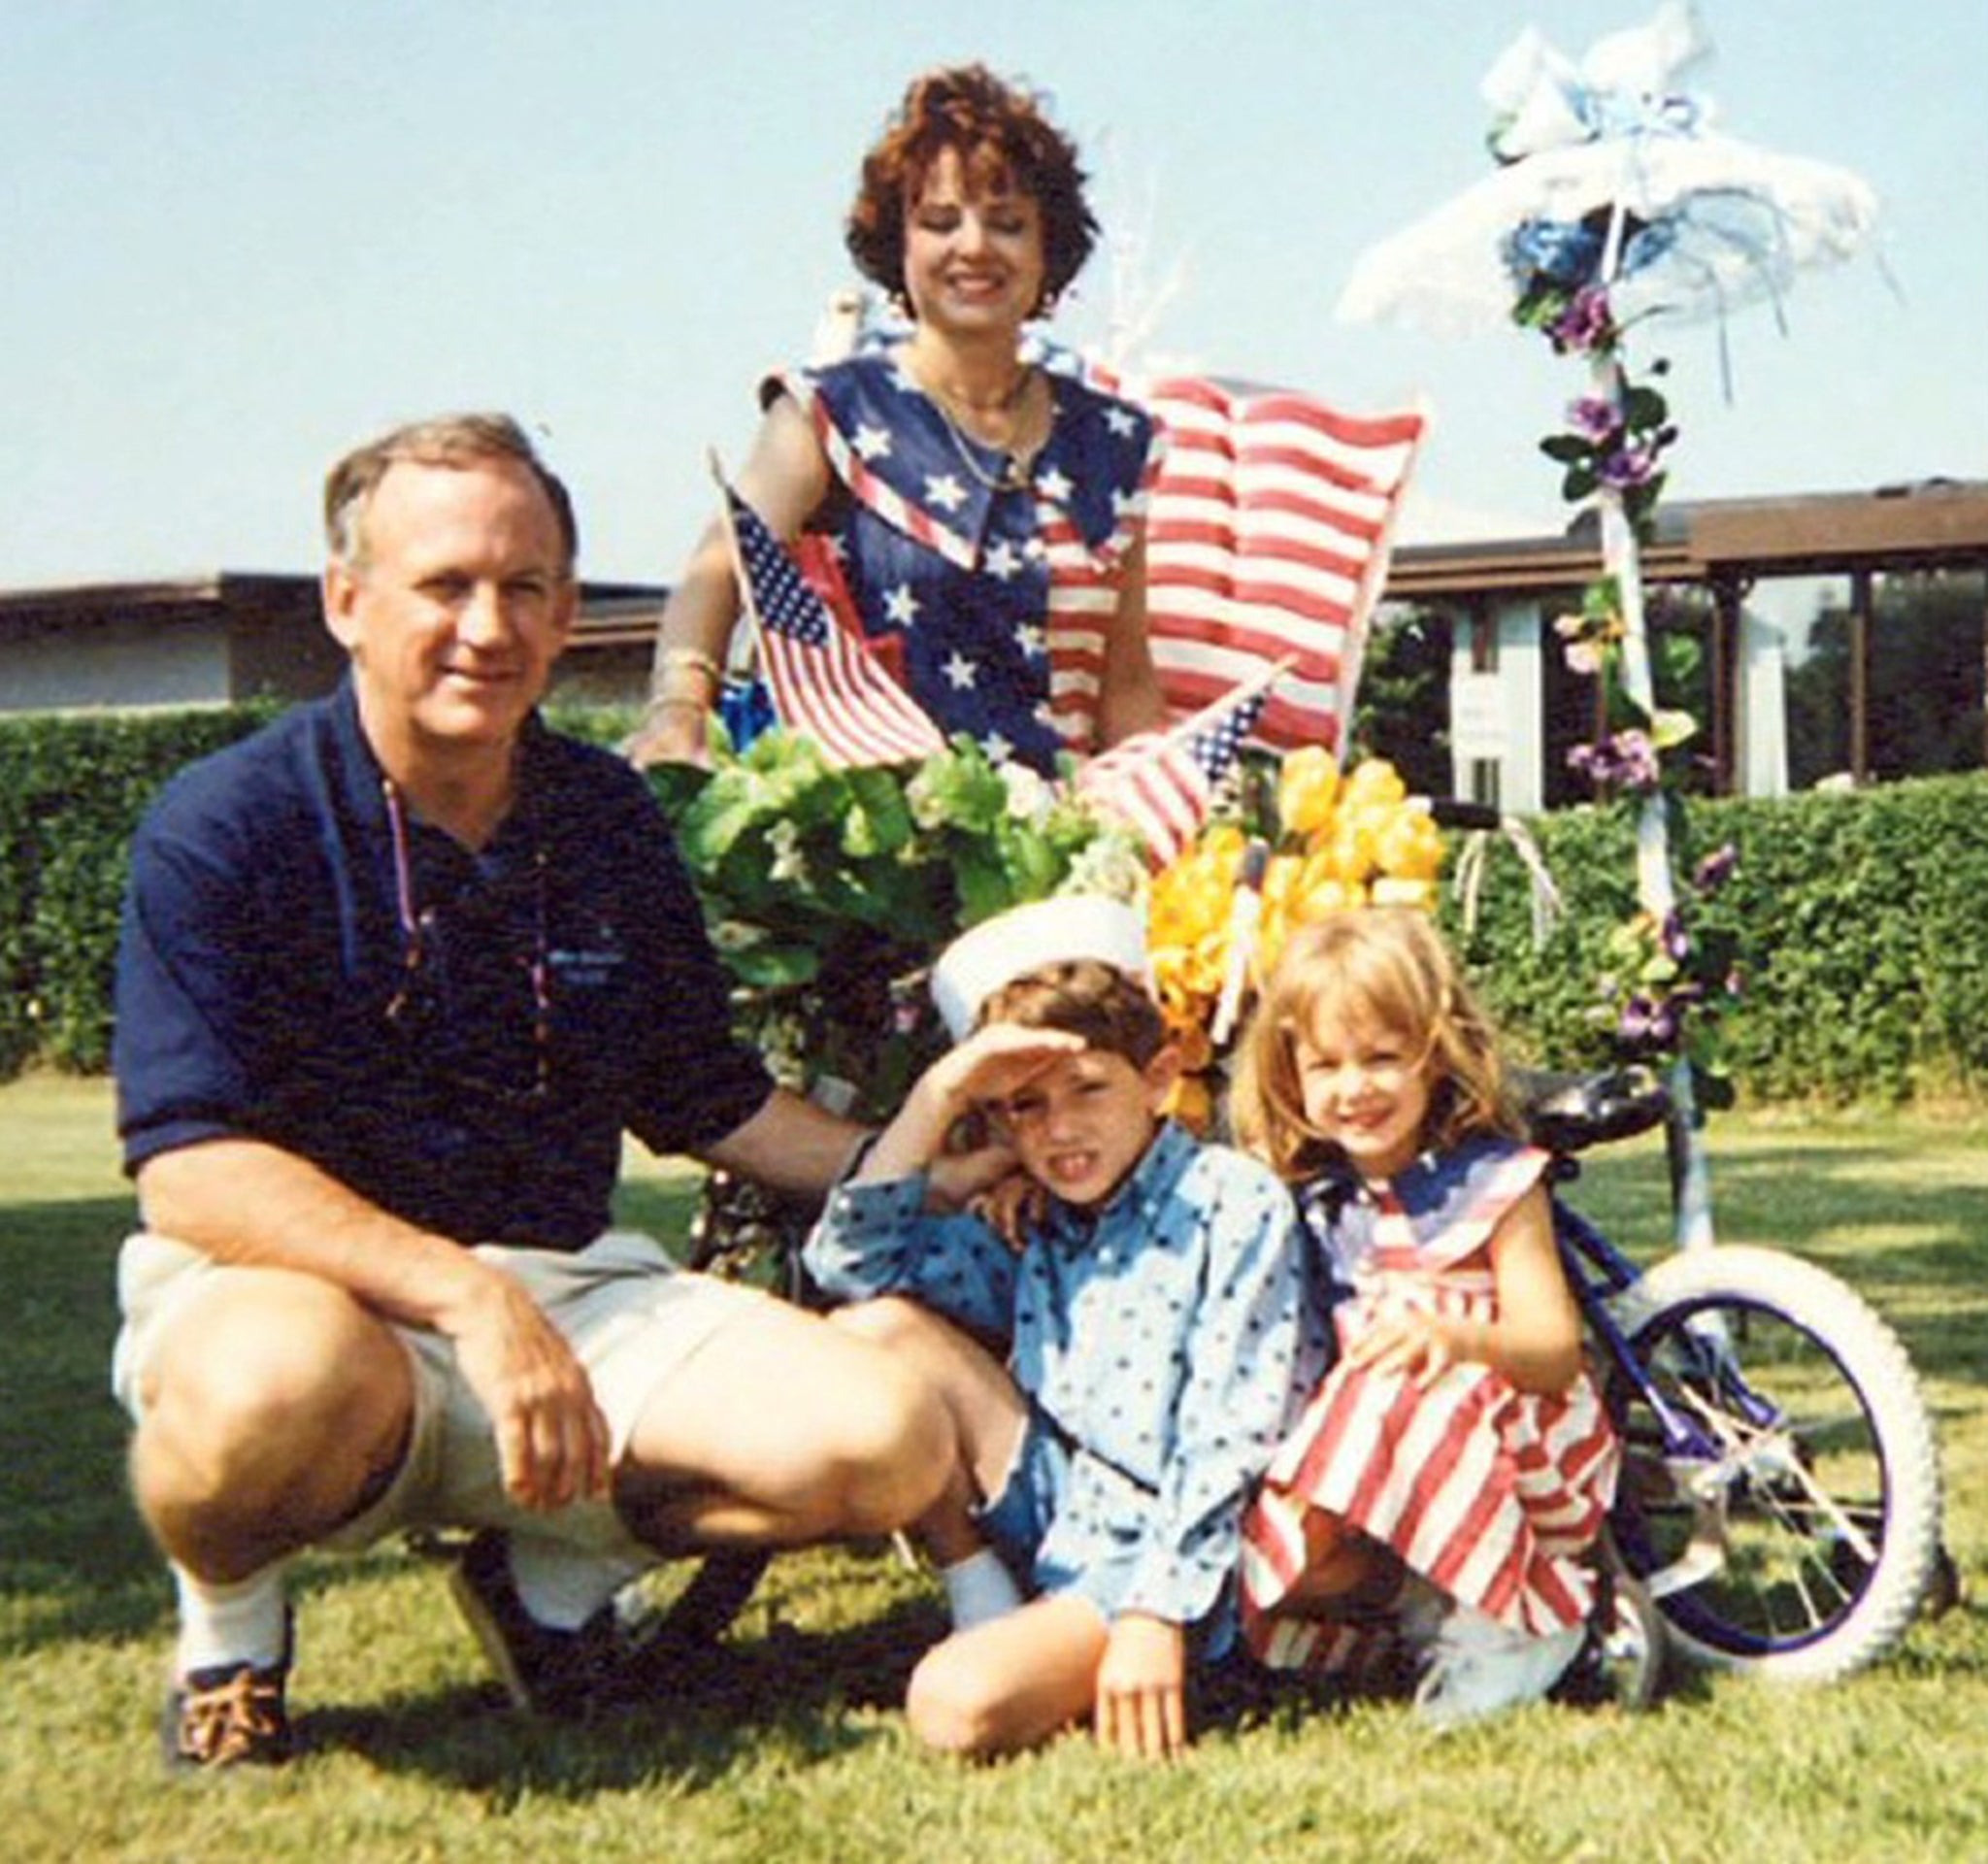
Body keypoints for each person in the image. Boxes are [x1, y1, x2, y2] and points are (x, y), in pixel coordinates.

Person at [112, 413, 972, 1773]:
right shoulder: (228, 822)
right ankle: (230, 1635)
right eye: (443, 584)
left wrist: (917, 1156)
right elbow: (191, 1168)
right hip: (312, 1305)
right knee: (267, 1383)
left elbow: (708, 1099)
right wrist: (464, 1296)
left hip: (570, 1296)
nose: (486, 627)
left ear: (570, 611)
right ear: (348, 601)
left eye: (524, 588)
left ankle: (546, 1585)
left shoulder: (606, 818)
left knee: (885, 1441)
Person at [801, 896, 1326, 1761]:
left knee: (950, 1706)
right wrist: (940, 1097)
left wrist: (1154, 1616)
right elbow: (851, 1267)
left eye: (1089, 1090)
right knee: (878, 1330)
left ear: (1158, 1079)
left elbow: (1230, 1435)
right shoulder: (1037, 1217)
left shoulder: (1228, 1203)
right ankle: (982, 1587)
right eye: (1026, 1108)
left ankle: (1126, 1647)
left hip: (1170, 1551)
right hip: (1058, 1506)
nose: (1062, 1129)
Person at [625, 63, 1167, 776]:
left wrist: (1159, 805)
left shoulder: (1113, 445)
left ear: (1048, 249)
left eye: (1007, 224)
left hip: (1057, 848)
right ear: (898, 245)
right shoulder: (829, 413)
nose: (974, 246)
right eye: (940, 221)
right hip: (872, 849)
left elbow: (1123, 684)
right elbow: (718, 568)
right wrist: (677, 711)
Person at [1228, 909, 1621, 1728]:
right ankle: (1428, 1599)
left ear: (1433, 1055)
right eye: (1326, 1065)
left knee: (1398, 1380)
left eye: (1381, 1058)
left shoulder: (1499, 1184)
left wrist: (1458, 1337)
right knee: (1287, 1544)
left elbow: (1554, 1354)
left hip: (1522, 1436)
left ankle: (1519, 1619)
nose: (1354, 1087)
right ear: (1290, 1074)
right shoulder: (1322, 1206)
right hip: (1391, 1446)